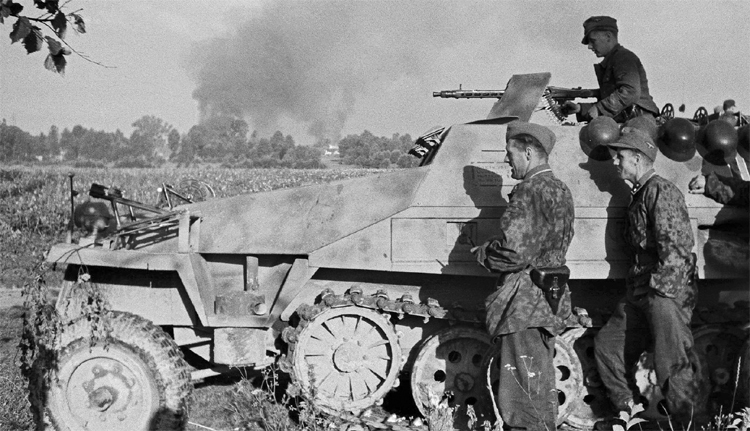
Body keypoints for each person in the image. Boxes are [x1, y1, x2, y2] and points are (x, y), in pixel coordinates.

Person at [594, 128, 702, 426]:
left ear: (638, 159)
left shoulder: (660, 191)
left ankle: (687, 423)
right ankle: (631, 412)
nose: (615, 162)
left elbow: (677, 248)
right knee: (608, 345)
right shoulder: (641, 193)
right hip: (642, 289)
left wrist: (660, 295)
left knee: (671, 362)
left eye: (620, 157)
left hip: (664, 291)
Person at [473, 121, 575, 431]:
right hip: (550, 295)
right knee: (538, 384)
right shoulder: (559, 188)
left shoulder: (529, 190)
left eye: (511, 153)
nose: (507, 160)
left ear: (528, 153)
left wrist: (484, 253)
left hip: (525, 302)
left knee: (521, 392)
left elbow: (514, 253)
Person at [562, 16, 660, 124]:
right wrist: (580, 109)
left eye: (593, 41)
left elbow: (630, 92)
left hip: (639, 122)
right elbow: (613, 101)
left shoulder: (623, 57)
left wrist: (599, 109)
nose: (589, 46)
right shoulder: (612, 60)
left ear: (608, 36)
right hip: (630, 119)